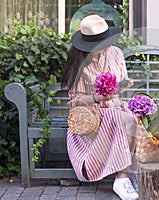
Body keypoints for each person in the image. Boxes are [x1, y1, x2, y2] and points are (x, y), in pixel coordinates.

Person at [61, 14, 138, 200]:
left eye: (107, 42)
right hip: (91, 118)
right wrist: (97, 97)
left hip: (114, 109)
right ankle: (123, 178)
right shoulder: (79, 63)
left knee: (134, 118)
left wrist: (122, 85)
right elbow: (74, 102)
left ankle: (124, 176)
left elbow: (119, 85)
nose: (105, 49)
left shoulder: (116, 53)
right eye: (100, 46)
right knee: (128, 121)